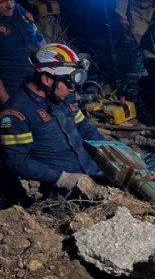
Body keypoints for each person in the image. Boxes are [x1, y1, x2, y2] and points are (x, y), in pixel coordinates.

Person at [0, 44, 104, 191]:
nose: (71, 89)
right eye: (68, 82)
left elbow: (83, 125)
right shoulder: (17, 113)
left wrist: (105, 149)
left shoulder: (61, 96)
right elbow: (18, 160)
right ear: (46, 80)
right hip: (64, 189)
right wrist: (61, 178)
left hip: (93, 172)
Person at [0, 0, 46, 105]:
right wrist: (6, 100)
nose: (10, 5)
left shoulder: (19, 10)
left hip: (41, 81)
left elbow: (38, 38)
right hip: (15, 89)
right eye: (2, 2)